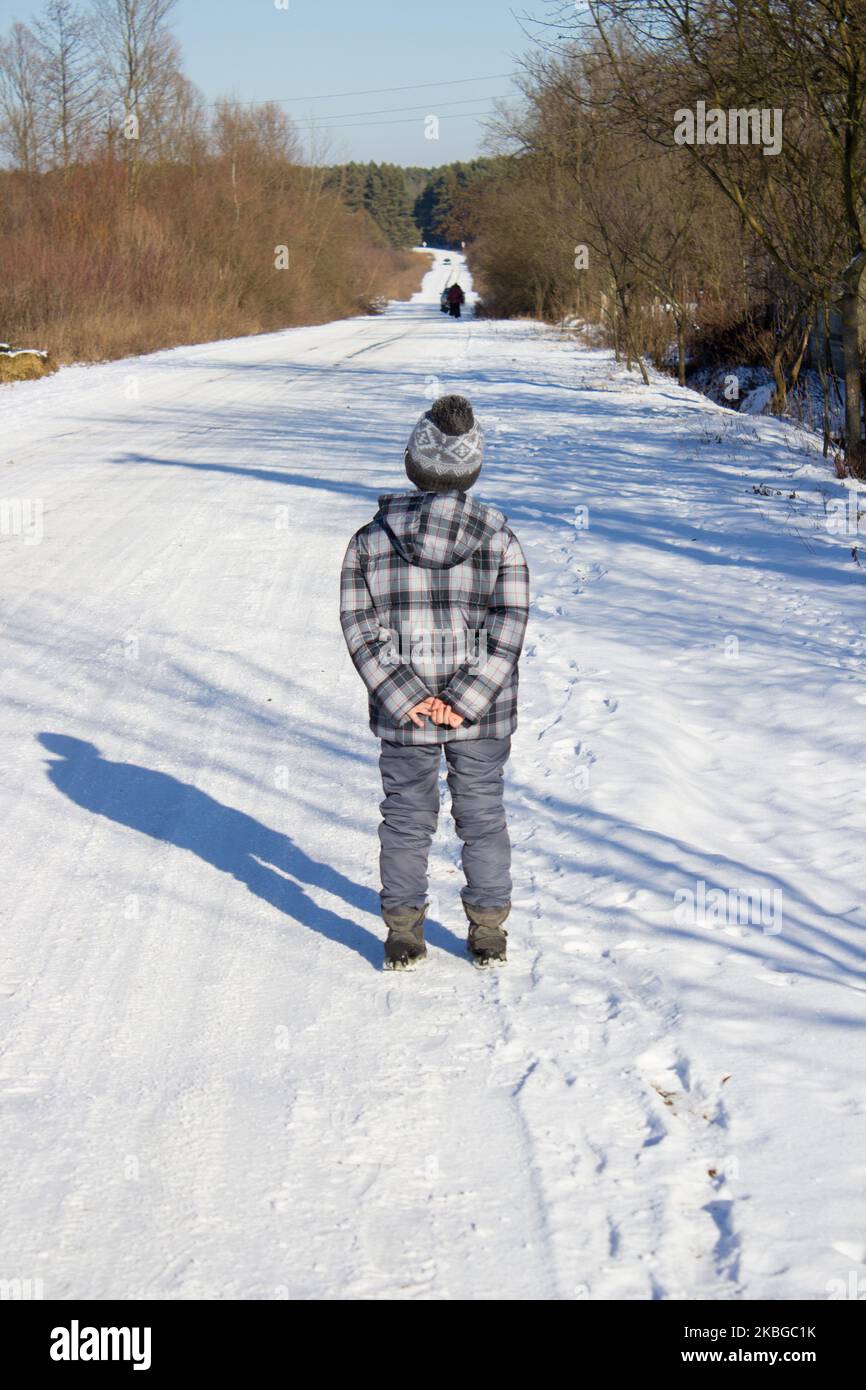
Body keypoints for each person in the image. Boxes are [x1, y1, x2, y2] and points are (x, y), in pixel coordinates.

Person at [339, 395, 530, 971]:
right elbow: (509, 624)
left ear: (412, 464)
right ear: (473, 470)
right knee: (483, 815)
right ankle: (489, 930)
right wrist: (466, 701)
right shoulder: (501, 540)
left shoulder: (370, 541)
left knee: (406, 816)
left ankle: (403, 933)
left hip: (405, 715)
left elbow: (359, 625)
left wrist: (408, 697)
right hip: (484, 715)